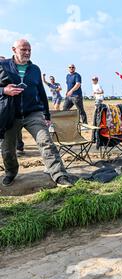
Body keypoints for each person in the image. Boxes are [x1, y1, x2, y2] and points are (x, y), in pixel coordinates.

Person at [0, 39, 72, 187]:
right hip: (10, 115)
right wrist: (4, 90)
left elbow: (41, 92)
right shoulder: (3, 65)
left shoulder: (35, 69)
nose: (27, 53)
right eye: (23, 50)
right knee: (7, 149)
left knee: (46, 142)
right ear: (14, 49)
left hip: (33, 113)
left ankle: (59, 175)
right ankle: (11, 172)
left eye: (29, 50)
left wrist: (46, 114)